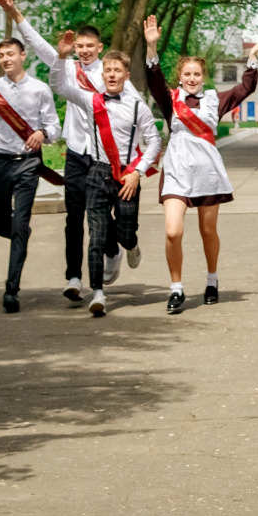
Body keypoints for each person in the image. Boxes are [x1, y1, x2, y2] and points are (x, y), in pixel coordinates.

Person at [0, 0, 142, 304]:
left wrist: (136, 160)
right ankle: (74, 276)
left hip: (108, 156)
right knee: (74, 216)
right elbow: (35, 42)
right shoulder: (68, 69)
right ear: (74, 47)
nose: (84, 51)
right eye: (80, 47)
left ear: (100, 48)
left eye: (90, 47)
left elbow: (136, 110)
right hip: (77, 153)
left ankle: (115, 248)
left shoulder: (112, 75)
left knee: (103, 216)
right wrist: (14, 12)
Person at [142, 16, 258, 314]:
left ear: (203, 75)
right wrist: (151, 47)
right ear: (180, 76)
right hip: (177, 169)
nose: (192, 78)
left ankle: (212, 280)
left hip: (207, 170)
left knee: (208, 231)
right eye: (187, 73)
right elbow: (153, 78)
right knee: (173, 231)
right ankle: (176, 288)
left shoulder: (214, 99)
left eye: (197, 73)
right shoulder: (170, 99)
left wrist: (251, 59)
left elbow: (245, 88)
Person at [49, 32, 161, 317]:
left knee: (124, 233)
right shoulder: (90, 100)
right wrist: (61, 57)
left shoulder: (138, 107)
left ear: (125, 75)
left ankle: (131, 245)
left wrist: (137, 172)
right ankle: (98, 292)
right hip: (97, 174)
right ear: (103, 74)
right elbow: (59, 86)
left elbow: (155, 143)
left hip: (126, 176)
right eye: (107, 70)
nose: (111, 74)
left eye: (117, 70)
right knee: (97, 236)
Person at [0, 37, 61, 313]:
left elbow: (54, 127)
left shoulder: (40, 89)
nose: (6, 59)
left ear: (23, 55)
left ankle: (12, 289)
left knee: (20, 223)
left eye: (10, 53)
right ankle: (18, 233)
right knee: (3, 225)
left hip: (27, 164)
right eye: (1, 55)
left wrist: (42, 133)